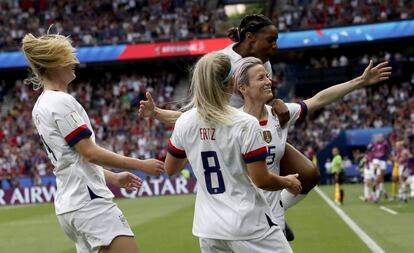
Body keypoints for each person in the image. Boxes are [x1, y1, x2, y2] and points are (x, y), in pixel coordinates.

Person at [139, 14, 320, 240]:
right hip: (231, 134)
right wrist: (157, 113)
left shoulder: (264, 64)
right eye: (271, 40)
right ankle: (268, 217)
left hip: (247, 132)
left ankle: (276, 211)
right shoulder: (220, 63)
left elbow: (182, 140)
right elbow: (199, 116)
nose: (275, 46)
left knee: (309, 174)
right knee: (254, 183)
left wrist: (275, 102)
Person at [22, 32, 165, 253]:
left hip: (70, 205)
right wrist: (140, 164)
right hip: (88, 203)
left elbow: (74, 159)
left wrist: (114, 177)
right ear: (53, 65)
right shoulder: (61, 102)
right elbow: (89, 153)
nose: (75, 62)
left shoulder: (41, 105)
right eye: (68, 58)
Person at [233, 56, 391, 233]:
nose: (269, 81)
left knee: (310, 174)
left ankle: (280, 211)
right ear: (243, 88)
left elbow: (319, 99)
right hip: (242, 216)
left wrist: (360, 81)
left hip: (272, 218)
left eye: (268, 76)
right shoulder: (231, 122)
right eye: (261, 78)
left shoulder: (279, 115)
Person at [165, 52, 301, 253]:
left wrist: (200, 144)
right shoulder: (245, 123)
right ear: (232, 83)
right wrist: (287, 182)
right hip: (248, 224)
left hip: (209, 229)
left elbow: (171, 168)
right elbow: (261, 180)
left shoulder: (185, 121)